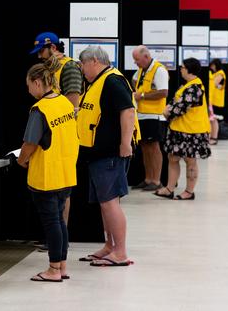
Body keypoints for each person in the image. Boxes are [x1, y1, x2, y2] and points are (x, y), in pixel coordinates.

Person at [16, 63, 78, 282]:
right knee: (60, 221)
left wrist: (22, 160)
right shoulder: (65, 104)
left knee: (52, 222)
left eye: (28, 86)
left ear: (37, 82)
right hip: (66, 172)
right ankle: (61, 266)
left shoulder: (40, 109)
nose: (28, 91)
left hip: (46, 176)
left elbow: (30, 143)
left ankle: (53, 269)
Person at [76, 46, 137, 267]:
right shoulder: (97, 82)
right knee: (105, 203)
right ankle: (110, 246)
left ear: (93, 61)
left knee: (110, 202)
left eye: (82, 64)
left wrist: (125, 144)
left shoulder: (112, 81)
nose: (81, 69)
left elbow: (128, 111)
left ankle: (120, 252)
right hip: (97, 153)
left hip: (110, 153)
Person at [30, 32, 83, 226]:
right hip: (48, 133)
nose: (39, 56)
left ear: (53, 48)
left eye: (41, 51)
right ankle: (54, 235)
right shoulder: (49, 69)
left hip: (63, 135)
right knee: (49, 184)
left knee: (61, 186)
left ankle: (61, 234)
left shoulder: (69, 67)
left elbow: (72, 105)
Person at [154, 58, 211, 200]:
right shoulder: (187, 86)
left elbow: (179, 108)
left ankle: (189, 192)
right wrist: (169, 109)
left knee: (190, 161)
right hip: (179, 129)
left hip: (192, 131)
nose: (181, 69)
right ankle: (169, 188)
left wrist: (167, 112)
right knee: (172, 158)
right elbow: (175, 103)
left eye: (183, 67)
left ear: (189, 70)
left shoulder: (195, 88)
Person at [130, 45, 169, 191]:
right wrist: (139, 91)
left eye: (137, 59)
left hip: (155, 116)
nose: (136, 62)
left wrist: (143, 95)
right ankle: (148, 178)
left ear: (146, 57)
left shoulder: (159, 70)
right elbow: (134, 80)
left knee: (154, 147)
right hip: (141, 114)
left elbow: (164, 92)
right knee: (145, 147)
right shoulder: (142, 70)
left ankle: (157, 180)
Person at [208, 59, 227, 145]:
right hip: (212, 100)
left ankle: (214, 138)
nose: (211, 67)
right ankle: (211, 137)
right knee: (211, 119)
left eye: (212, 65)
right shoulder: (214, 74)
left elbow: (214, 83)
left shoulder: (220, 74)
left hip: (217, 100)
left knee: (214, 119)